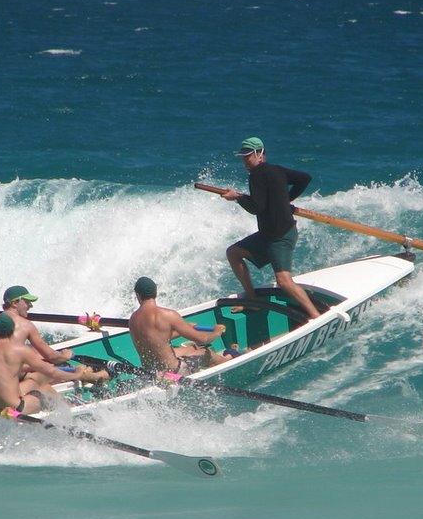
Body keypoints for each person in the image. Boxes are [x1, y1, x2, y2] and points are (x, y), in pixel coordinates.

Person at [220, 136, 323, 320]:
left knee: (283, 281)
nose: (245, 160)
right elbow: (304, 179)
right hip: (268, 234)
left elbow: (256, 208)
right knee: (233, 252)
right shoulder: (277, 170)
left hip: (280, 236)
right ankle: (252, 299)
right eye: (243, 156)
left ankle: (315, 316)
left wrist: (237, 197)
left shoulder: (257, 175)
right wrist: (285, 200)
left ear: (260, 154)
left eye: (248, 156)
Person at [0, 313, 108, 415]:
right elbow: (51, 371)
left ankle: (67, 401)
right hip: (15, 410)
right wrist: (77, 374)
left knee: (33, 382)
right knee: (40, 393)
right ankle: (69, 407)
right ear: (12, 330)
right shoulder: (18, 350)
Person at [128, 276, 231, 374]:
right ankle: (227, 362)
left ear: (138, 295)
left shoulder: (133, 320)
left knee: (192, 349)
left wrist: (184, 330)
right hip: (174, 371)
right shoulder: (168, 315)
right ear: (156, 293)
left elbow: (157, 338)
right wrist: (216, 332)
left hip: (152, 372)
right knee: (208, 353)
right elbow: (202, 339)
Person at [0, 285, 74, 366]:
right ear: (15, 303)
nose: (31, 306)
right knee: (65, 368)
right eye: (27, 302)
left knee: (34, 350)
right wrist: (65, 356)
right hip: (12, 375)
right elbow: (51, 356)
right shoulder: (25, 324)